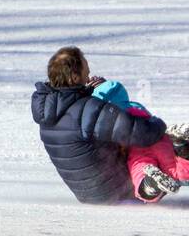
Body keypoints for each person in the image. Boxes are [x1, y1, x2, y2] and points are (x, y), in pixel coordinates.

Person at [32, 47, 170, 205]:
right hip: (116, 192)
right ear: (74, 77)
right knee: (156, 146)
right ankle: (166, 180)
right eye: (85, 69)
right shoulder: (89, 109)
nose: (89, 73)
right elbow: (142, 133)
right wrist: (158, 123)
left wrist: (88, 90)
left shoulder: (46, 112)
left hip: (87, 194)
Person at [91, 79, 189, 203]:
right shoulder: (135, 106)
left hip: (137, 151)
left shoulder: (110, 119)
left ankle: (151, 184)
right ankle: (184, 149)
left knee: (140, 171)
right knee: (182, 174)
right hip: (160, 139)